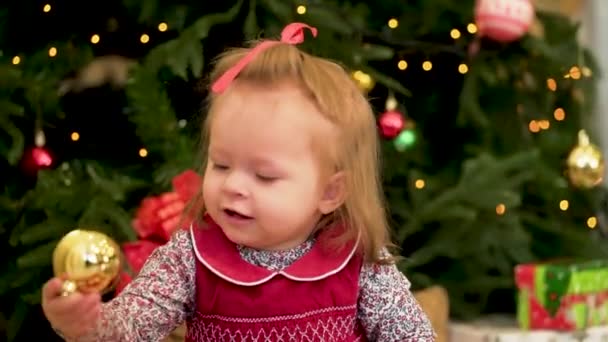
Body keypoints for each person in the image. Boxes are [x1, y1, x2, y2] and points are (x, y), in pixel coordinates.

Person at [42, 22, 435, 341]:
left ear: (331, 192)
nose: (233, 186)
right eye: (222, 165)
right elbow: (130, 326)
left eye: (264, 176)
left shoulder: (358, 260)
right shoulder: (188, 259)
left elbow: (411, 335)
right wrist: (87, 324)